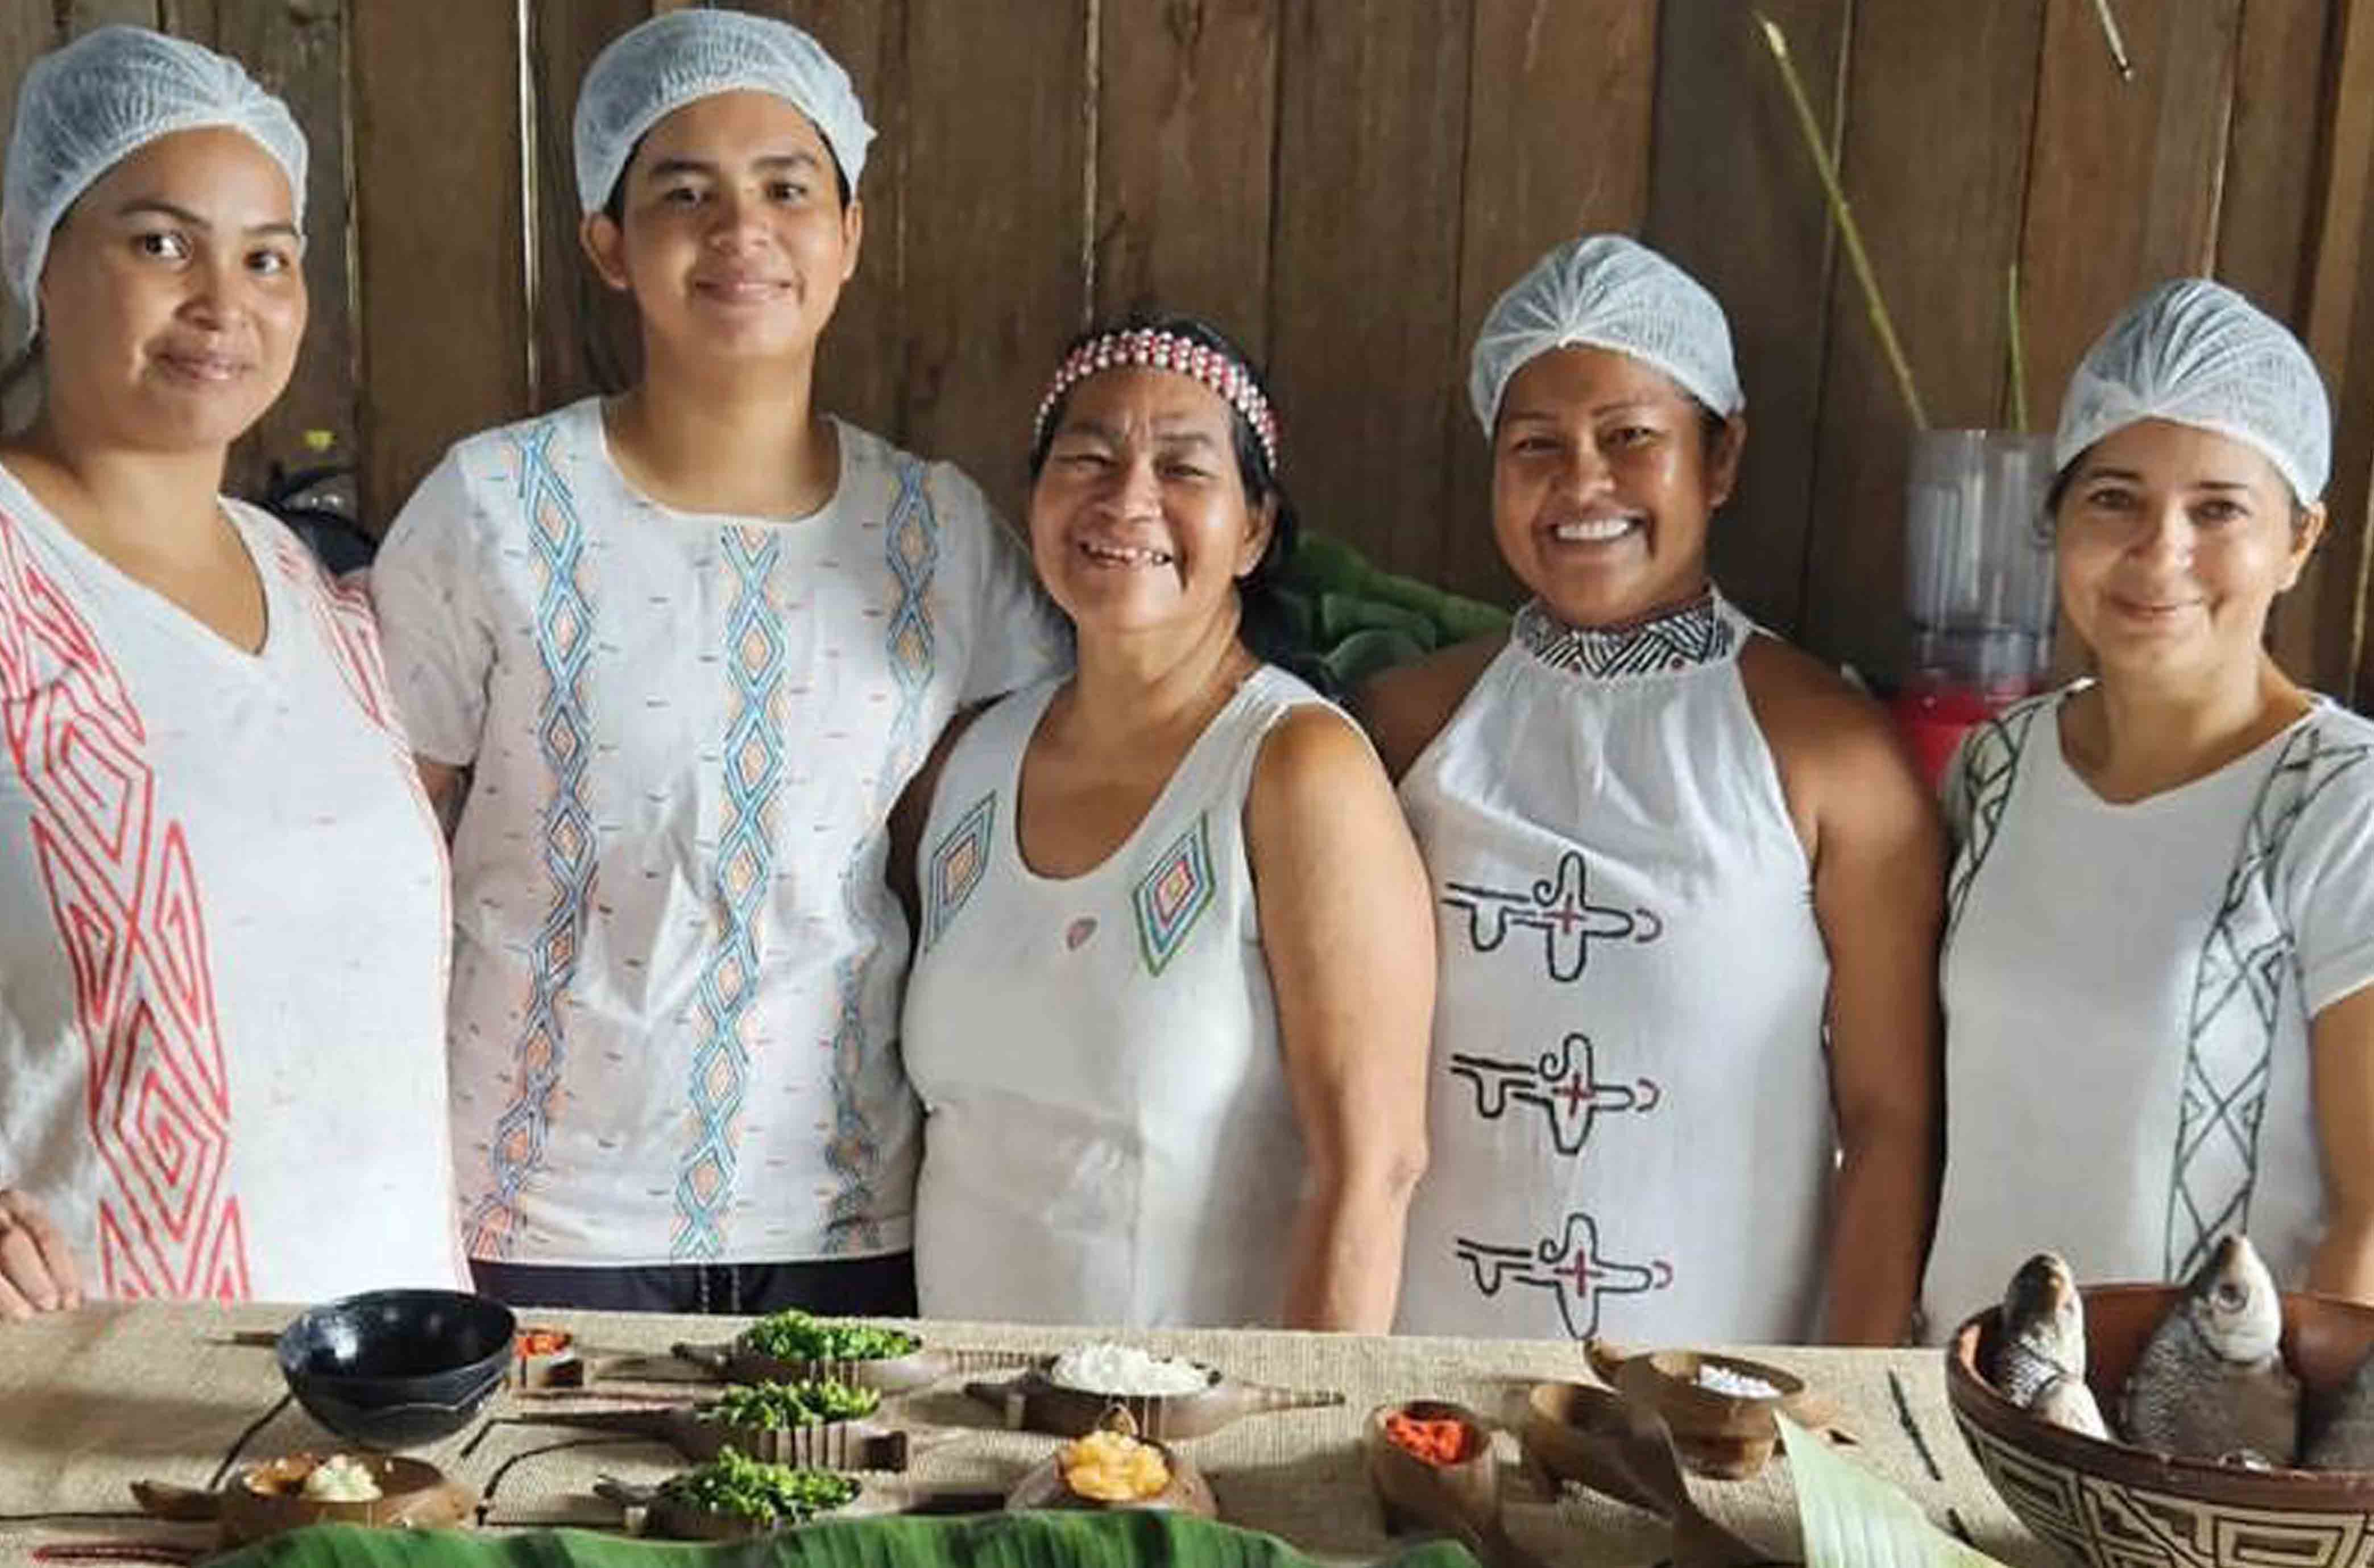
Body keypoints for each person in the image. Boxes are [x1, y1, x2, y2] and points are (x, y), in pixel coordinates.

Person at [368, 10, 1063, 1316]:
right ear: (609, 243)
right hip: (536, 1206)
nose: (743, 230)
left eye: (787, 189)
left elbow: (1029, 814)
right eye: (685, 193)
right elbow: (378, 856)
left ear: (848, 234)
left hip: (846, 1207)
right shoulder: (497, 508)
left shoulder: (935, 531)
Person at [1364, 234, 1941, 1345]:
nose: (1582, 482)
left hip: (1723, 1403)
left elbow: (1889, 1120)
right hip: (1424, 1391)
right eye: (1535, 444)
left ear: (1720, 458)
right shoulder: (1404, 732)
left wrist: (1849, 1402)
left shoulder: (1835, 757)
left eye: (1630, 437)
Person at [0, 26, 456, 1317]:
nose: (223, 302)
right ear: (40, 259)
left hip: (394, 1360)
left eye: (267, 257)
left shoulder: (316, 588)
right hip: (94, 1369)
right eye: (161, 244)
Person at [897, 317, 1433, 1330]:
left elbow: (1376, 1166)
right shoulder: (966, 765)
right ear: (1035, 496)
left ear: (1255, 530)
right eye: (1088, 458)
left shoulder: (1294, 767)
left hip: (1196, 1419)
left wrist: (1299, 1415)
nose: (1128, 498)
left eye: (1184, 467)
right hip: (954, 1412)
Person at [1922, 279, 2374, 1329]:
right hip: (1961, 1384)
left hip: (2199, 1415)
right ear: (2057, 519)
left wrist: (2293, 1428)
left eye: (2219, 509)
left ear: (2301, 539)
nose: (2160, 550)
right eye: (2114, 498)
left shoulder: (2341, 804)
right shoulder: (1995, 771)